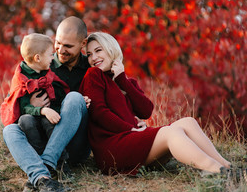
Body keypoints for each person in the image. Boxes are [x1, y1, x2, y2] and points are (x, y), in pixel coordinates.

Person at [79, 32, 234, 178]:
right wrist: (129, 128)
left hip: (131, 139)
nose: (93, 58)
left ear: (111, 49)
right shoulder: (93, 75)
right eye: (89, 54)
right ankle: (215, 170)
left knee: (188, 122)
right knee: (170, 133)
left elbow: (146, 111)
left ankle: (227, 166)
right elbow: (99, 112)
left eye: (98, 51)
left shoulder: (126, 82)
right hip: (112, 147)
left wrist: (122, 80)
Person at [1, 16, 91, 192]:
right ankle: (42, 177)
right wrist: (35, 107)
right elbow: (14, 103)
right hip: (40, 138)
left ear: (83, 44)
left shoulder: (91, 67)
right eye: (57, 43)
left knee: (74, 98)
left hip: (72, 144)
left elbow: (113, 101)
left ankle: (48, 163)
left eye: (68, 46)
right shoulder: (38, 63)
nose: (59, 50)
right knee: (9, 130)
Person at [1, 33, 70, 166]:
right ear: (37, 58)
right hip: (31, 124)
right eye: (50, 54)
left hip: (49, 120)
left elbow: (61, 95)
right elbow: (23, 107)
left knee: (48, 120)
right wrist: (43, 110)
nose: (53, 58)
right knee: (25, 120)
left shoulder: (47, 72)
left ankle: (61, 161)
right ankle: (39, 156)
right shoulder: (22, 79)